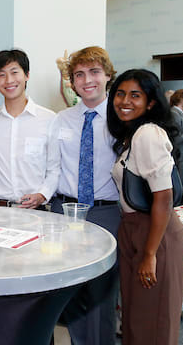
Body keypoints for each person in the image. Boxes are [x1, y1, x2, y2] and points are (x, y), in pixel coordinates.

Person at [107, 69, 183, 345]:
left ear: (150, 102)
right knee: (137, 319)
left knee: (153, 324)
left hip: (155, 234)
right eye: (119, 94)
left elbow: (163, 198)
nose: (124, 101)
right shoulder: (133, 135)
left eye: (135, 95)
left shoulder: (148, 134)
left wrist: (150, 254)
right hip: (135, 229)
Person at [48, 46, 120, 345]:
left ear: (107, 76)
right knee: (70, 290)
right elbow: (53, 168)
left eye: (94, 72)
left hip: (106, 212)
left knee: (101, 292)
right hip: (64, 212)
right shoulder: (61, 120)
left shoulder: (120, 118)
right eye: (79, 74)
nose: (86, 80)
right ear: (72, 82)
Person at [0, 49, 59, 210]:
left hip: (34, 210)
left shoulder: (49, 119)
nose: (9, 80)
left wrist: (42, 194)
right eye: (1, 75)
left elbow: (55, 168)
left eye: (14, 72)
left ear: (27, 75)